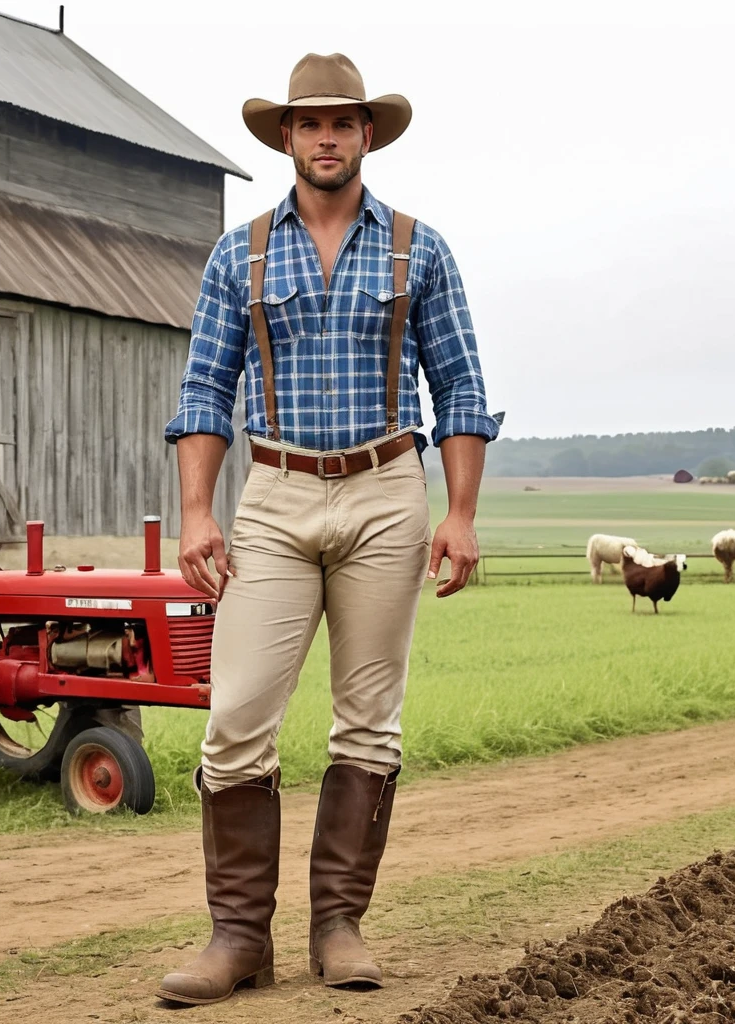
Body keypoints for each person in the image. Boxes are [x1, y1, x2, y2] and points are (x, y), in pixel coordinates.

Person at [158, 52, 500, 1006]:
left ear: (367, 135)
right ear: (285, 138)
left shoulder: (418, 249)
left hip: (388, 490)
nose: (325, 138)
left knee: (368, 723)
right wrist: (197, 513)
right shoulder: (241, 253)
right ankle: (237, 939)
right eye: (308, 124)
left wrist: (461, 514)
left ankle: (339, 925)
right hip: (272, 496)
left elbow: (462, 385)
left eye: (342, 123)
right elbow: (204, 389)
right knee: (235, 720)